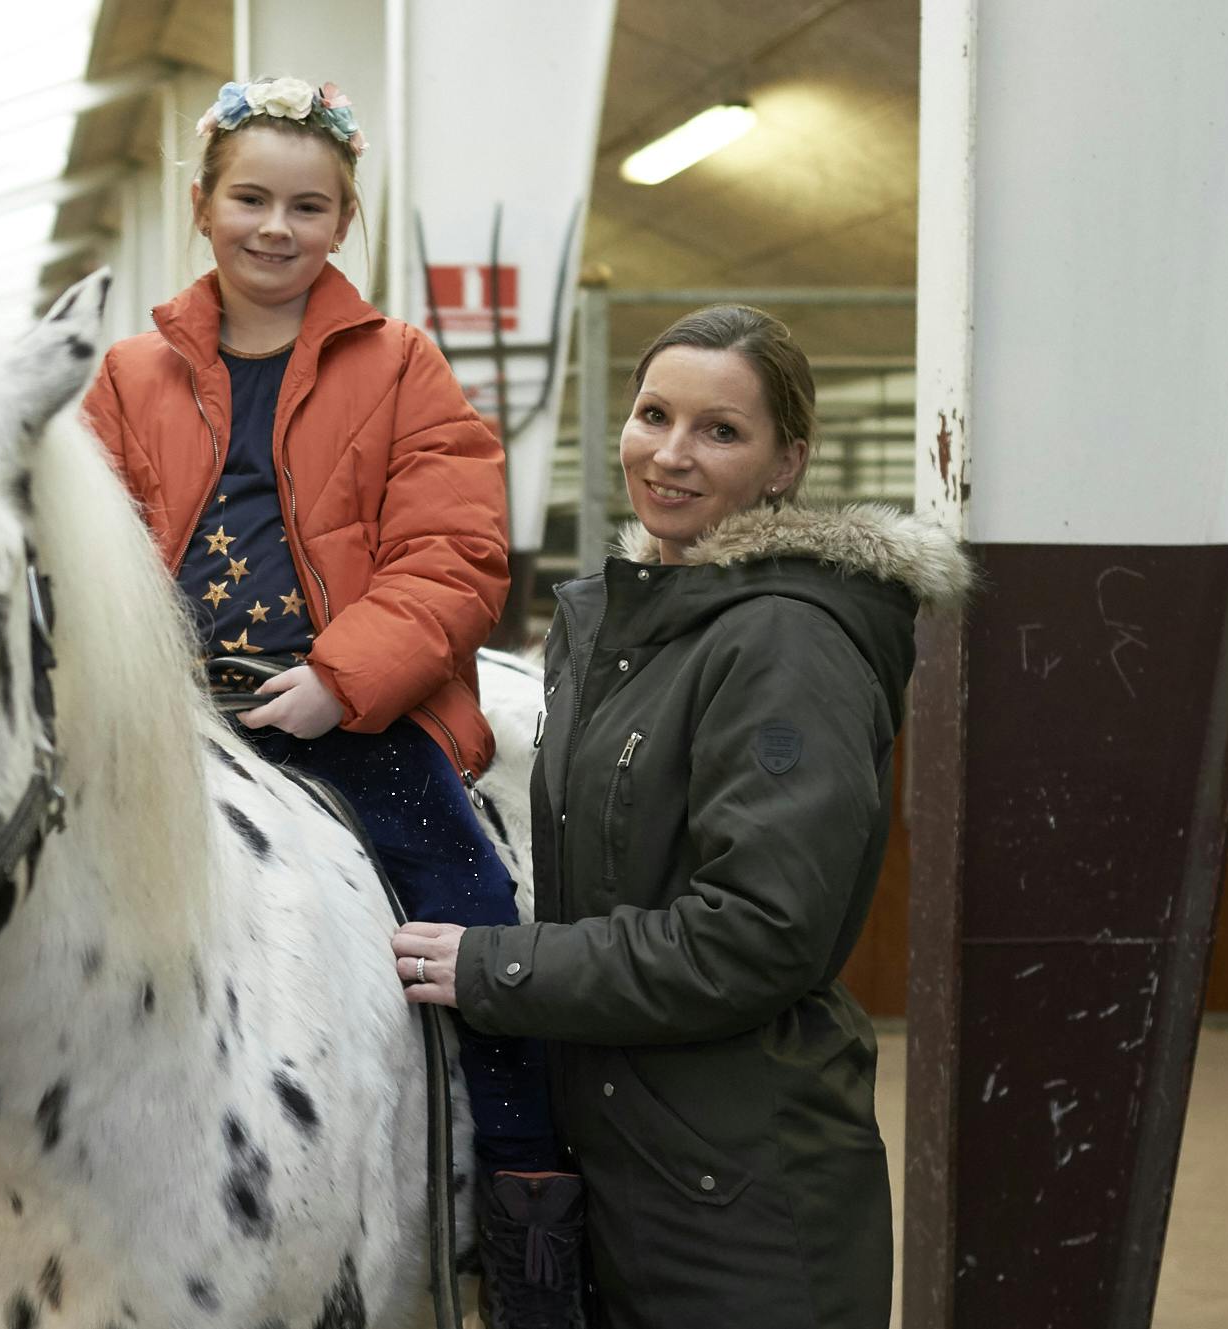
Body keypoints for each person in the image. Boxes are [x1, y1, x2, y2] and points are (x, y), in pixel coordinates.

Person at [0, 77, 582, 1329]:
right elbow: (74, 549)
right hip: (159, 724)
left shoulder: (403, 368)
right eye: (251, 198)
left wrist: (342, 676)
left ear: (342, 220)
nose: (276, 226)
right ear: (202, 207)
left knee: (473, 920)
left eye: (307, 206)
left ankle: (529, 1230)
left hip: (352, 718)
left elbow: (457, 553)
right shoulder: (127, 377)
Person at [391, 305, 972, 1329]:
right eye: (652, 414)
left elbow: (759, 933)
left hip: (736, 1197)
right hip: (627, 1173)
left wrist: (499, 968)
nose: (669, 454)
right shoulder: (614, 634)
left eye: (720, 431)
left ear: (786, 462)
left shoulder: (787, 643)